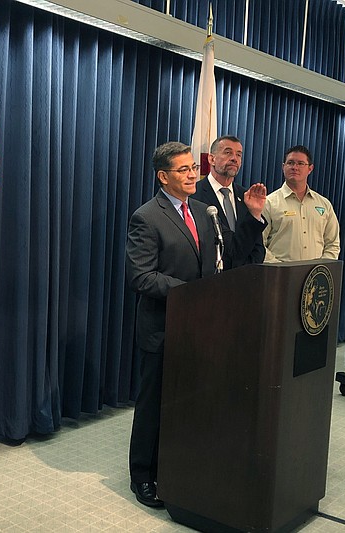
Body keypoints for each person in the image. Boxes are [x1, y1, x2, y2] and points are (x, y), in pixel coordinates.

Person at [125, 141, 267, 508]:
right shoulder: (147, 216)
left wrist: (252, 217)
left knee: (191, 404)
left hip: (202, 328)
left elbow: (230, 257)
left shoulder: (205, 212)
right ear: (163, 176)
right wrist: (189, 293)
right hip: (164, 328)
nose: (193, 175)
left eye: (194, 168)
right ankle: (142, 476)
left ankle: (179, 465)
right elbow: (141, 277)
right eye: (184, 170)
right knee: (154, 406)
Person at [191, 135, 266, 264]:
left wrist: (255, 214)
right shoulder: (194, 195)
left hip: (244, 278)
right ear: (211, 159)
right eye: (228, 153)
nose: (234, 159)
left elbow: (257, 247)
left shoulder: (247, 196)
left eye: (238, 155)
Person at [262, 145, 340, 262]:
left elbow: (332, 243)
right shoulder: (269, 203)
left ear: (310, 168)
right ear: (283, 167)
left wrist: (320, 268)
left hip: (315, 277)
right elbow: (259, 244)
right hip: (279, 275)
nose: (295, 167)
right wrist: (279, 269)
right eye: (290, 163)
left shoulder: (324, 204)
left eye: (300, 163)